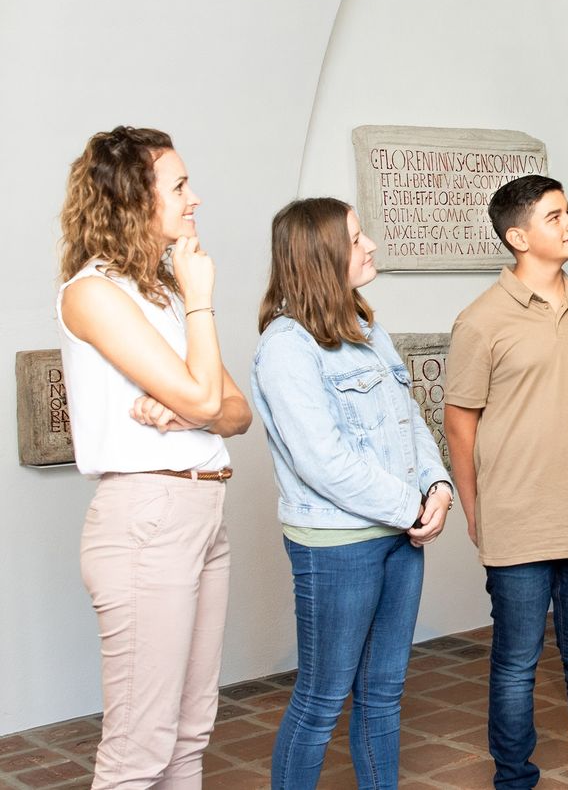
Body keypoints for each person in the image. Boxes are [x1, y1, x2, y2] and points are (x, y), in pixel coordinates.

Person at [57, 126, 253, 788]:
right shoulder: (94, 293)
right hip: (147, 517)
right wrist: (201, 299)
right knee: (139, 748)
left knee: (190, 733)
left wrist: (191, 405)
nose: (194, 198)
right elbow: (207, 397)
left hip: (201, 508)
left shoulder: (162, 291)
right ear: (132, 199)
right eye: (178, 186)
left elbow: (236, 412)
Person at [252, 197, 452, 789]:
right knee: (321, 701)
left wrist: (436, 485)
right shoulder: (286, 347)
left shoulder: (367, 327)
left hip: (398, 535)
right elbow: (322, 460)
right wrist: (408, 507)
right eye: (356, 237)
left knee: (384, 696)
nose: (368, 246)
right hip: (337, 546)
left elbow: (409, 419)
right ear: (322, 254)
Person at [444, 175, 568, 789]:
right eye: (555, 216)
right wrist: (474, 511)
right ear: (518, 237)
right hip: (516, 521)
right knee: (517, 666)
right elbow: (459, 425)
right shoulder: (479, 321)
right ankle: (513, 781)